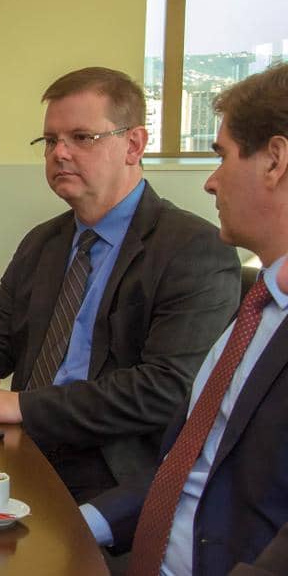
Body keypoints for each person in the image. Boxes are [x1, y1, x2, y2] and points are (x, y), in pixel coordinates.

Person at [0, 67, 240, 502]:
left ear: (134, 144)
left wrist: (19, 405)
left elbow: (165, 389)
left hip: (113, 471)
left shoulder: (193, 248)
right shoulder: (44, 241)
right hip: (21, 447)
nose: (60, 153)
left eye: (82, 137)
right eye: (50, 141)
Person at [83, 62, 288, 575]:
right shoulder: (257, 306)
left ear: (275, 161)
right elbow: (189, 467)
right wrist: (82, 521)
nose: (211, 182)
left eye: (222, 156)